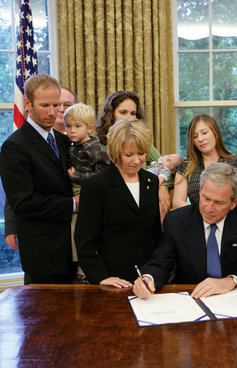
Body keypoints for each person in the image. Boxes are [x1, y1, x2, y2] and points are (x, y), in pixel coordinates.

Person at [133, 162, 237, 299]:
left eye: (219, 203)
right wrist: (148, 278)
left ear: (234, 203)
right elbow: (160, 262)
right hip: (190, 300)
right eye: (206, 198)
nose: (209, 208)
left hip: (233, 301)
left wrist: (230, 281)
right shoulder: (177, 221)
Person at [0, 74, 77, 284]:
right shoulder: (14, 147)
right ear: (28, 104)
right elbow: (24, 202)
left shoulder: (63, 141)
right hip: (44, 256)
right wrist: (72, 203)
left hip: (73, 249)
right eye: (45, 105)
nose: (53, 112)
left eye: (57, 105)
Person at [75, 118, 161, 287]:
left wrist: (154, 273)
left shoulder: (152, 181)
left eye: (141, 153)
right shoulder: (96, 185)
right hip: (112, 279)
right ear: (115, 152)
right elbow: (84, 240)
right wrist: (101, 277)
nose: (136, 160)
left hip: (147, 278)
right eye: (129, 155)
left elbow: (155, 232)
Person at [96, 90, 177, 221]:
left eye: (133, 113)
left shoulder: (142, 143)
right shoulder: (98, 145)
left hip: (146, 203)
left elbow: (167, 168)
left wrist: (162, 187)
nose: (129, 117)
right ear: (111, 115)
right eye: (123, 112)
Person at [64, 103, 110, 275]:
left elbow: (101, 176)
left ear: (90, 128)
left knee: (80, 227)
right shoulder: (72, 145)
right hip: (73, 189)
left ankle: (83, 266)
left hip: (85, 191)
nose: (72, 131)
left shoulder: (95, 148)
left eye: (77, 126)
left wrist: (76, 176)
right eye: (68, 126)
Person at [172, 114, 237, 209]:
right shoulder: (186, 167)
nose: (200, 139)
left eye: (204, 133)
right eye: (195, 136)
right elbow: (177, 202)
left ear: (215, 132)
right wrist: (201, 212)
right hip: (198, 221)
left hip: (233, 221)